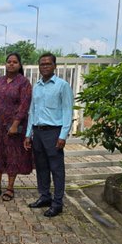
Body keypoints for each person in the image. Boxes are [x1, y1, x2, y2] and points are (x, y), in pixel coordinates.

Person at [24, 53, 74, 218]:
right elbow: (32, 111)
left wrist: (63, 136)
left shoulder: (62, 86)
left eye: (48, 64)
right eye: (42, 64)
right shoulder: (37, 86)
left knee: (57, 169)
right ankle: (45, 196)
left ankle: (57, 203)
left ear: (55, 66)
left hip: (54, 132)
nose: (44, 67)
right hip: (38, 132)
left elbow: (67, 111)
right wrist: (28, 134)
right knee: (41, 167)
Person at [0, 52, 33, 202]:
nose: (11, 64)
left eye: (14, 62)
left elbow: (24, 105)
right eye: (9, 62)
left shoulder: (23, 82)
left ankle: (10, 188)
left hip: (12, 127)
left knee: (12, 156)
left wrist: (15, 124)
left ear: (19, 65)